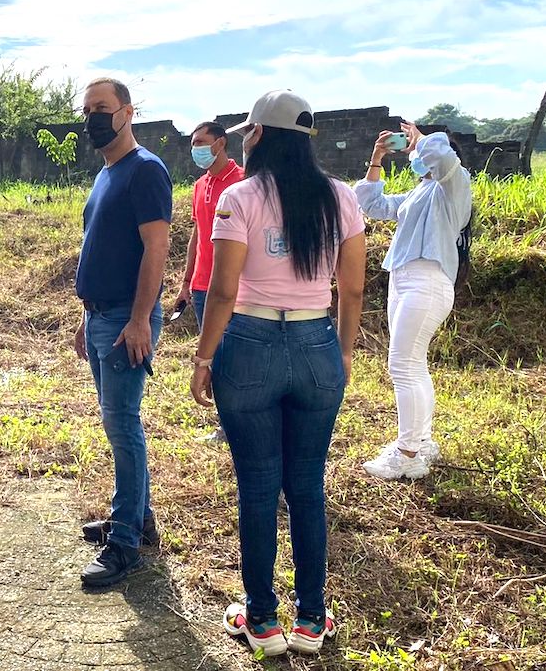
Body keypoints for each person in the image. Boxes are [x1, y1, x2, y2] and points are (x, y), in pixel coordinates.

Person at [190, 90, 365, 657]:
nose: (245, 137)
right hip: (316, 339)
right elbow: (354, 287)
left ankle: (262, 621)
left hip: (251, 342)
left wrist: (203, 356)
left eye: (248, 131)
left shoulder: (239, 198)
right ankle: (312, 620)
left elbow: (222, 289)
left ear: (259, 135)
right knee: (307, 484)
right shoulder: (340, 197)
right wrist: (340, 352)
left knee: (259, 485)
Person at [73, 77, 173, 587]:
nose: (92, 116)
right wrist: (85, 315)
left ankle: (125, 543)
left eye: (102, 108)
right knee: (118, 423)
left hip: (123, 319)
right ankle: (139, 518)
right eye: (87, 108)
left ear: (128, 113)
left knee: (122, 425)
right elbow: (100, 246)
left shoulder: (145, 171)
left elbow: (156, 250)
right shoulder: (106, 173)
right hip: (100, 315)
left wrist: (139, 318)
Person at [356, 123, 473, 480]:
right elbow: (371, 203)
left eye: (415, 150)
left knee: (402, 365)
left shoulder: (454, 184)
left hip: (427, 281)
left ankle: (407, 454)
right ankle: (420, 441)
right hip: (404, 279)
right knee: (412, 364)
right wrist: (377, 158)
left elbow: (439, 156)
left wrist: (422, 139)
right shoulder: (417, 194)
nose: (412, 155)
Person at [175, 120, 244, 443]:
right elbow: (197, 234)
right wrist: (186, 281)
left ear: (221, 143)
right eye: (193, 143)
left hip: (234, 286)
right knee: (212, 354)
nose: (196, 149)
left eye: (201, 142)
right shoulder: (200, 185)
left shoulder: (242, 181)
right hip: (202, 286)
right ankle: (226, 424)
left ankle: (241, 422)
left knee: (235, 356)